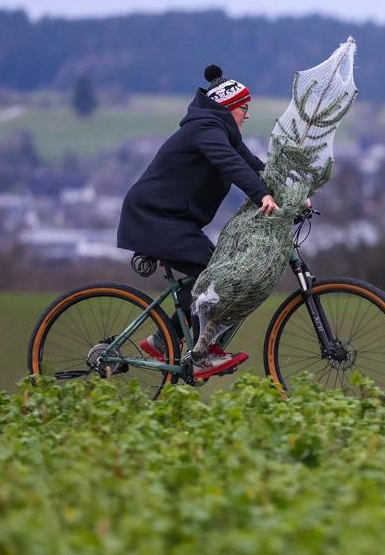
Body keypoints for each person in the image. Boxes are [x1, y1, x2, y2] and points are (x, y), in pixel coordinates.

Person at [117, 65, 279, 379]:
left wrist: (290, 193)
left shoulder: (220, 130)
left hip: (173, 220)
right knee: (213, 277)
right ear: (229, 107)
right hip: (154, 218)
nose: (247, 115)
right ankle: (201, 354)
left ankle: (163, 341)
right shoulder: (206, 129)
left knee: (210, 275)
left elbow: (255, 166)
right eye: (244, 109)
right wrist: (262, 196)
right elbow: (231, 164)